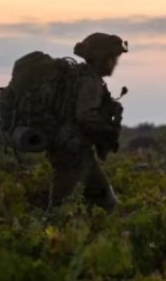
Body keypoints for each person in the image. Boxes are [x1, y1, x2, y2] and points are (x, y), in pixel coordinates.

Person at [47, 32, 128, 212]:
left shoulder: (80, 77)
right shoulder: (89, 81)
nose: (115, 63)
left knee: (107, 203)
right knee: (59, 209)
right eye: (112, 58)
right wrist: (107, 130)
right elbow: (85, 117)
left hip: (79, 152)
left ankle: (112, 236)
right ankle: (41, 239)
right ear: (101, 58)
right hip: (72, 154)